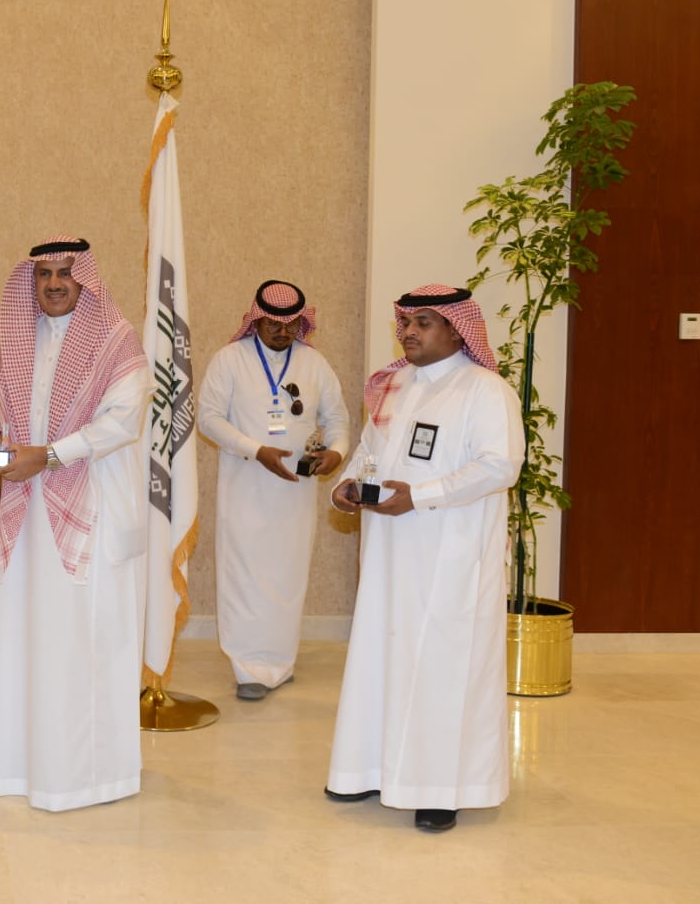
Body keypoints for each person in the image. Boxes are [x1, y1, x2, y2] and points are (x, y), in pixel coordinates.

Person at [325, 284, 522, 833]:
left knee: (443, 666)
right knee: (381, 654)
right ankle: (368, 768)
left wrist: (421, 495)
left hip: (450, 557)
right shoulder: (395, 385)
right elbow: (368, 452)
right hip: (390, 555)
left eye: (424, 323)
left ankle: (441, 788)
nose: (408, 332)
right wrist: (346, 487)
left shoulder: (486, 390)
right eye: (406, 322)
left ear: (458, 330)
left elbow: (499, 466)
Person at [0, 236, 149, 812]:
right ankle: (22, 766)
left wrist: (48, 456)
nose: (54, 283)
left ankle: (89, 776)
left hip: (91, 511)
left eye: (65, 272)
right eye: (44, 273)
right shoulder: (17, 340)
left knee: (83, 640)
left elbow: (121, 423)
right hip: (27, 509)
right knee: (29, 634)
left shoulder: (116, 340)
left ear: (86, 279)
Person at [198, 280, 350, 700]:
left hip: (295, 493)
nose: (283, 332)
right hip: (245, 488)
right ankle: (249, 668)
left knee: (287, 576)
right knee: (244, 576)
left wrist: (337, 453)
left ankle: (279, 664)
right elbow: (209, 418)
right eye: (273, 324)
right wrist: (256, 450)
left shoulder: (314, 364)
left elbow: (337, 419)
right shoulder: (230, 360)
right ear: (256, 320)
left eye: (291, 325)